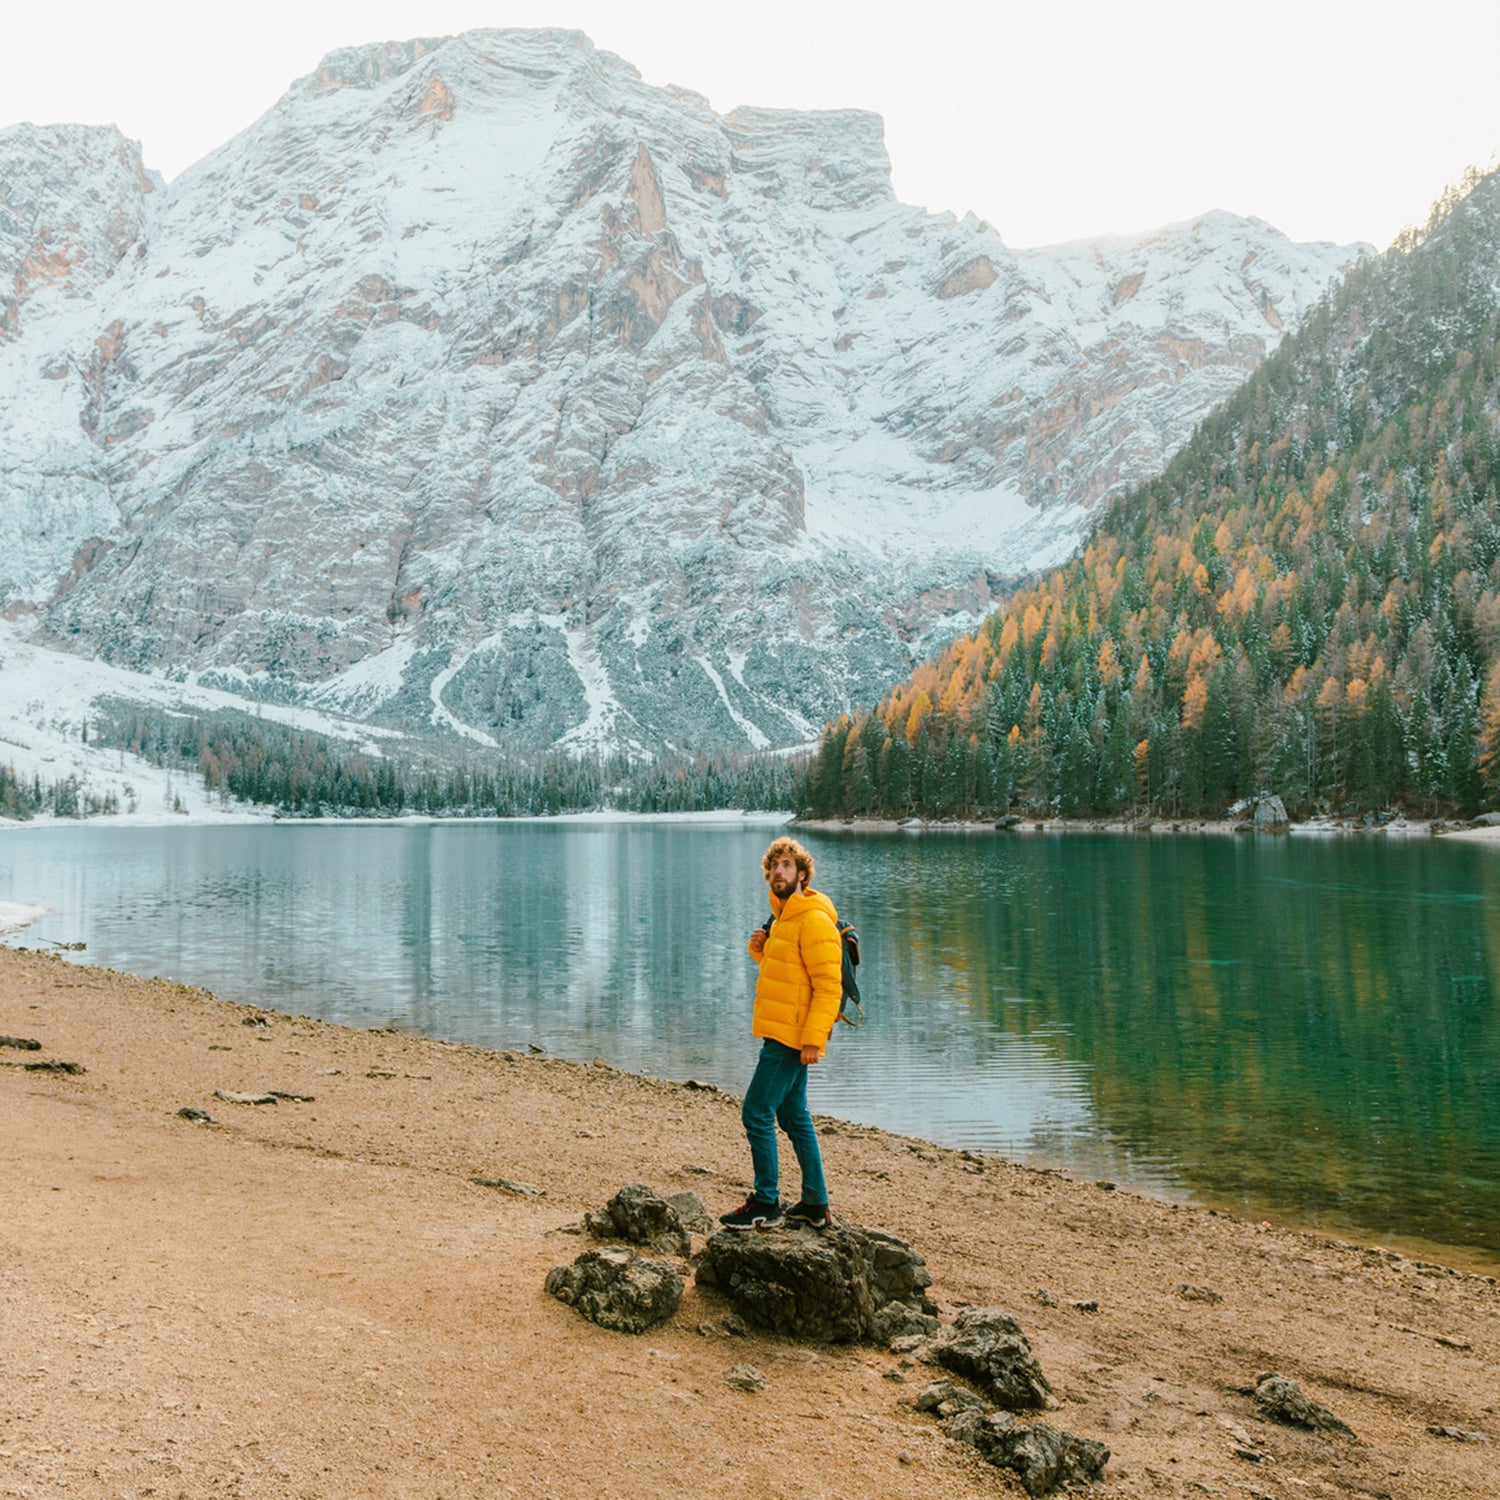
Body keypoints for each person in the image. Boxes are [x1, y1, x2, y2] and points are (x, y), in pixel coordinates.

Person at [719, 836, 841, 1230]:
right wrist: (761, 951)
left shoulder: (813, 919)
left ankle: (766, 1202)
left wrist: (813, 1039)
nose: (778, 871)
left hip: (791, 1037)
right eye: (774, 866)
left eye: (787, 865)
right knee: (794, 1117)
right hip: (782, 1030)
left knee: (756, 1111)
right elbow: (790, 977)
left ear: (802, 874)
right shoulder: (783, 919)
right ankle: (815, 1203)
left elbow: (828, 985)